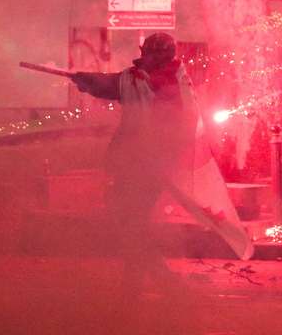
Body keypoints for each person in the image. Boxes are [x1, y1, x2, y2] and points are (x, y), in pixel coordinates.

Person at [69, 32, 197, 293]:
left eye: (148, 53)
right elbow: (110, 83)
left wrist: (88, 80)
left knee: (130, 220)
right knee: (130, 220)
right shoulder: (140, 78)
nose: (143, 57)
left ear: (159, 56)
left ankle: (149, 280)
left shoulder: (166, 83)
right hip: (136, 161)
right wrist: (86, 79)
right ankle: (144, 279)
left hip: (149, 163)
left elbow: (114, 85)